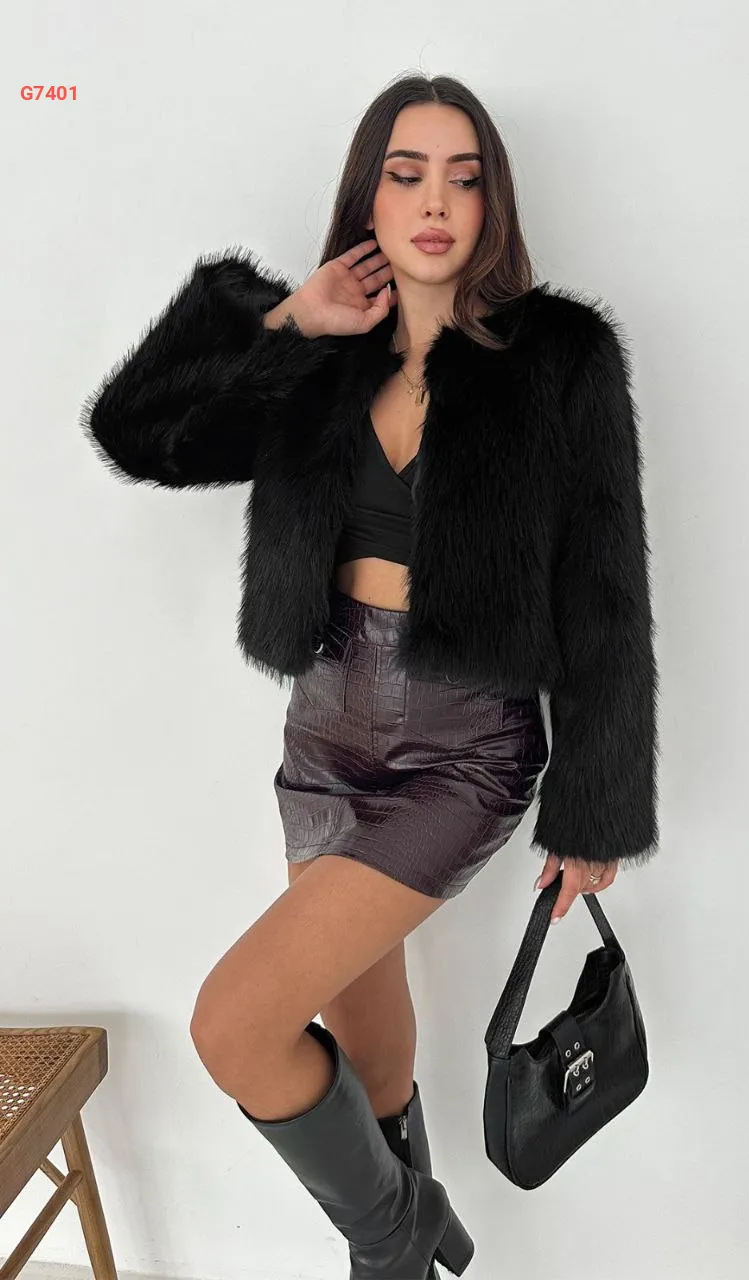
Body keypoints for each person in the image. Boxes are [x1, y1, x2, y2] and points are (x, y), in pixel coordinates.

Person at [81, 73, 659, 1280]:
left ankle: (396, 1236)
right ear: (369, 196)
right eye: (406, 174)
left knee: (236, 1024)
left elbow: (604, 589)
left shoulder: (559, 358)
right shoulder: (321, 354)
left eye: (463, 177)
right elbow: (139, 436)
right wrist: (289, 326)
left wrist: (595, 808)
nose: (434, 202)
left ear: (492, 202)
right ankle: (403, 1232)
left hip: (464, 749)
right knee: (373, 1061)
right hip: (324, 737)